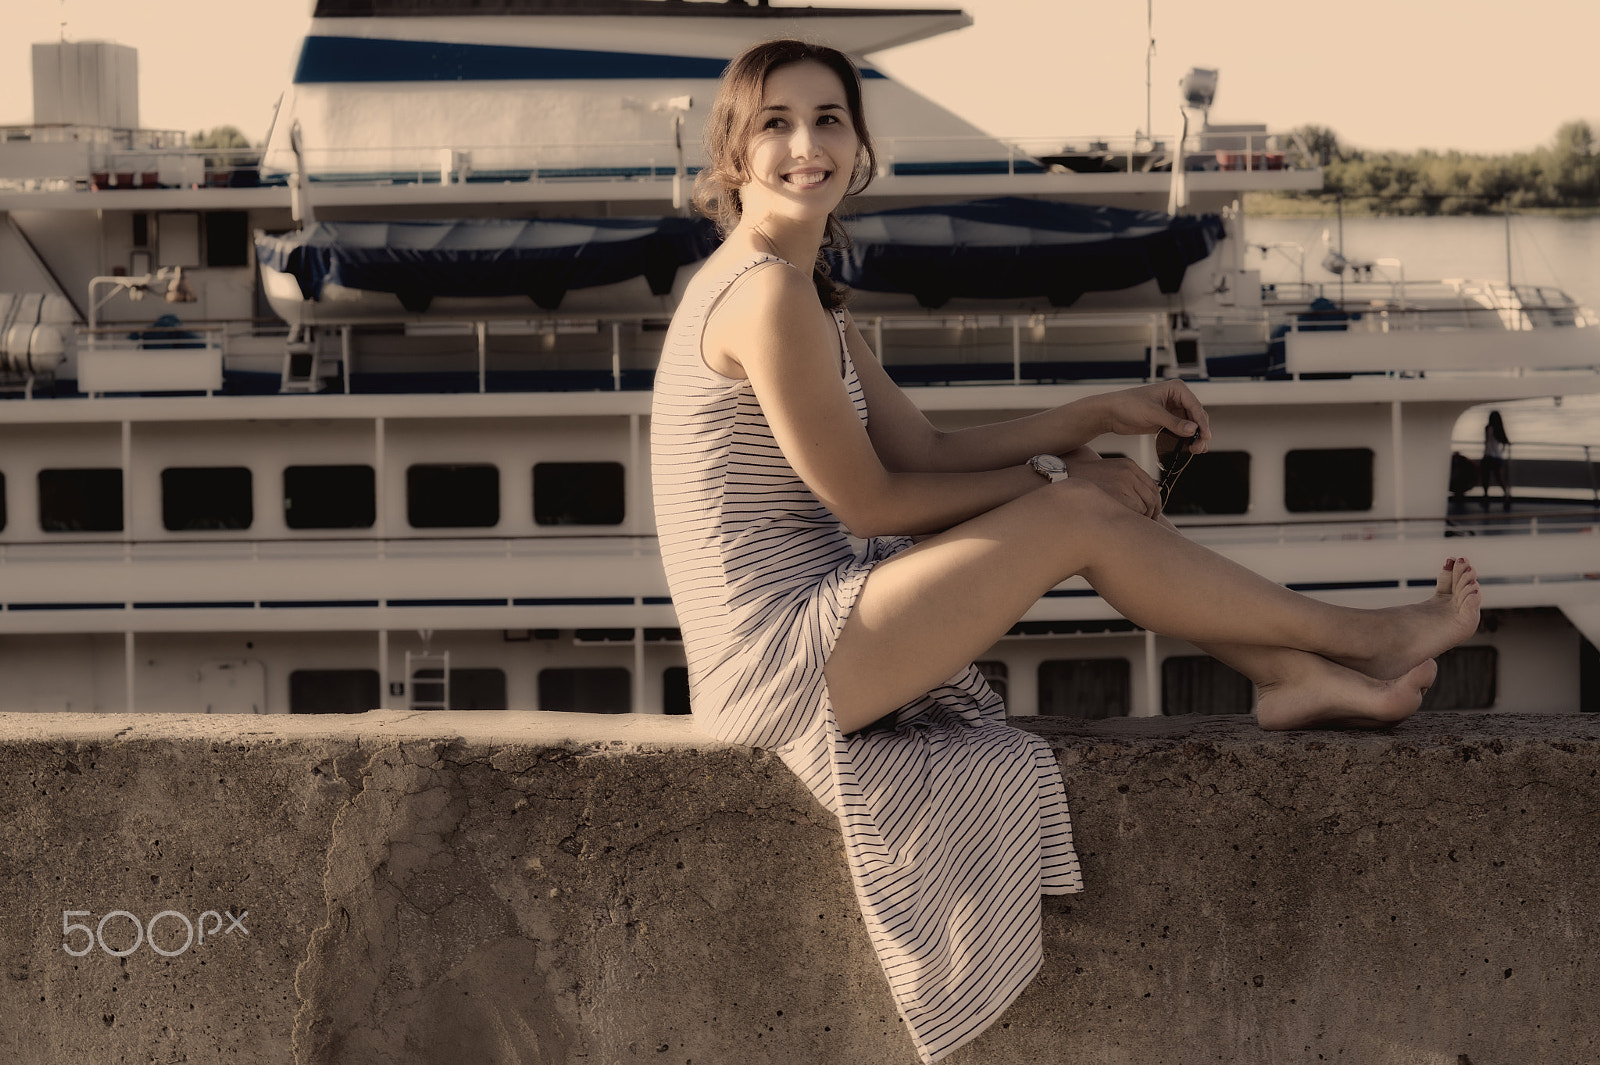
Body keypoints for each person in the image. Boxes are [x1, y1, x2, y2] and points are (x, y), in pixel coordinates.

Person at [649, 39, 1481, 1063]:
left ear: (858, 146)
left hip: (813, 625)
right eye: (775, 123)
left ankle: (1286, 674)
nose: (805, 144)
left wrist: (1089, 417)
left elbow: (923, 451)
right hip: (773, 661)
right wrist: (1060, 486)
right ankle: (1364, 639)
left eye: (828, 119)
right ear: (733, 151)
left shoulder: (798, 287)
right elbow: (872, 499)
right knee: (1079, 516)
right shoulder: (764, 296)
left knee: (1077, 504)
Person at [1481, 409, 1512, 510]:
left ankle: (1486, 498)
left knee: (1486, 479)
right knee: (1500, 479)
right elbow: (1505, 442)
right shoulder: (1500, 429)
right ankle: (1506, 496)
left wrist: (1485, 455)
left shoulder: (1488, 428)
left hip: (1489, 456)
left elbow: (1487, 443)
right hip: (1498, 458)